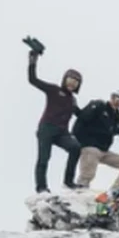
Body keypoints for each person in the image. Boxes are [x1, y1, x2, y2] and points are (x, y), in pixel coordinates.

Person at [27, 50, 83, 193]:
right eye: (70, 80)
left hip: (62, 132)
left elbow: (81, 115)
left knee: (76, 148)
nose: (72, 84)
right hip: (47, 128)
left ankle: (68, 181)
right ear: (64, 80)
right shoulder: (54, 90)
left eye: (75, 82)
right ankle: (41, 187)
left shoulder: (72, 100)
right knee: (44, 158)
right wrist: (33, 60)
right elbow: (33, 80)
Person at [72, 90, 119, 190]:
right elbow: (82, 118)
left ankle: (115, 191)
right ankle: (81, 188)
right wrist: (79, 140)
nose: (117, 102)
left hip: (105, 151)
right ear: (111, 97)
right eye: (116, 98)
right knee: (89, 170)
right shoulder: (99, 106)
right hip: (90, 147)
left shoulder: (118, 119)